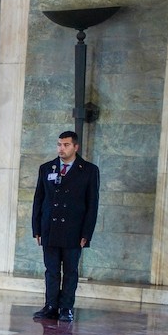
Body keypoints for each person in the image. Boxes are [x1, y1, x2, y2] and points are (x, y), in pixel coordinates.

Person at [31, 130, 100, 322]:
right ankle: (51, 305)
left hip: (74, 230)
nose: (61, 148)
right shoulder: (47, 168)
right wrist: (36, 228)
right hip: (50, 229)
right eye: (59, 144)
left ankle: (66, 308)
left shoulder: (88, 170)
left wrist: (87, 232)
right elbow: (39, 199)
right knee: (51, 270)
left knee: (70, 271)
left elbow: (92, 205)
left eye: (66, 145)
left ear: (75, 147)